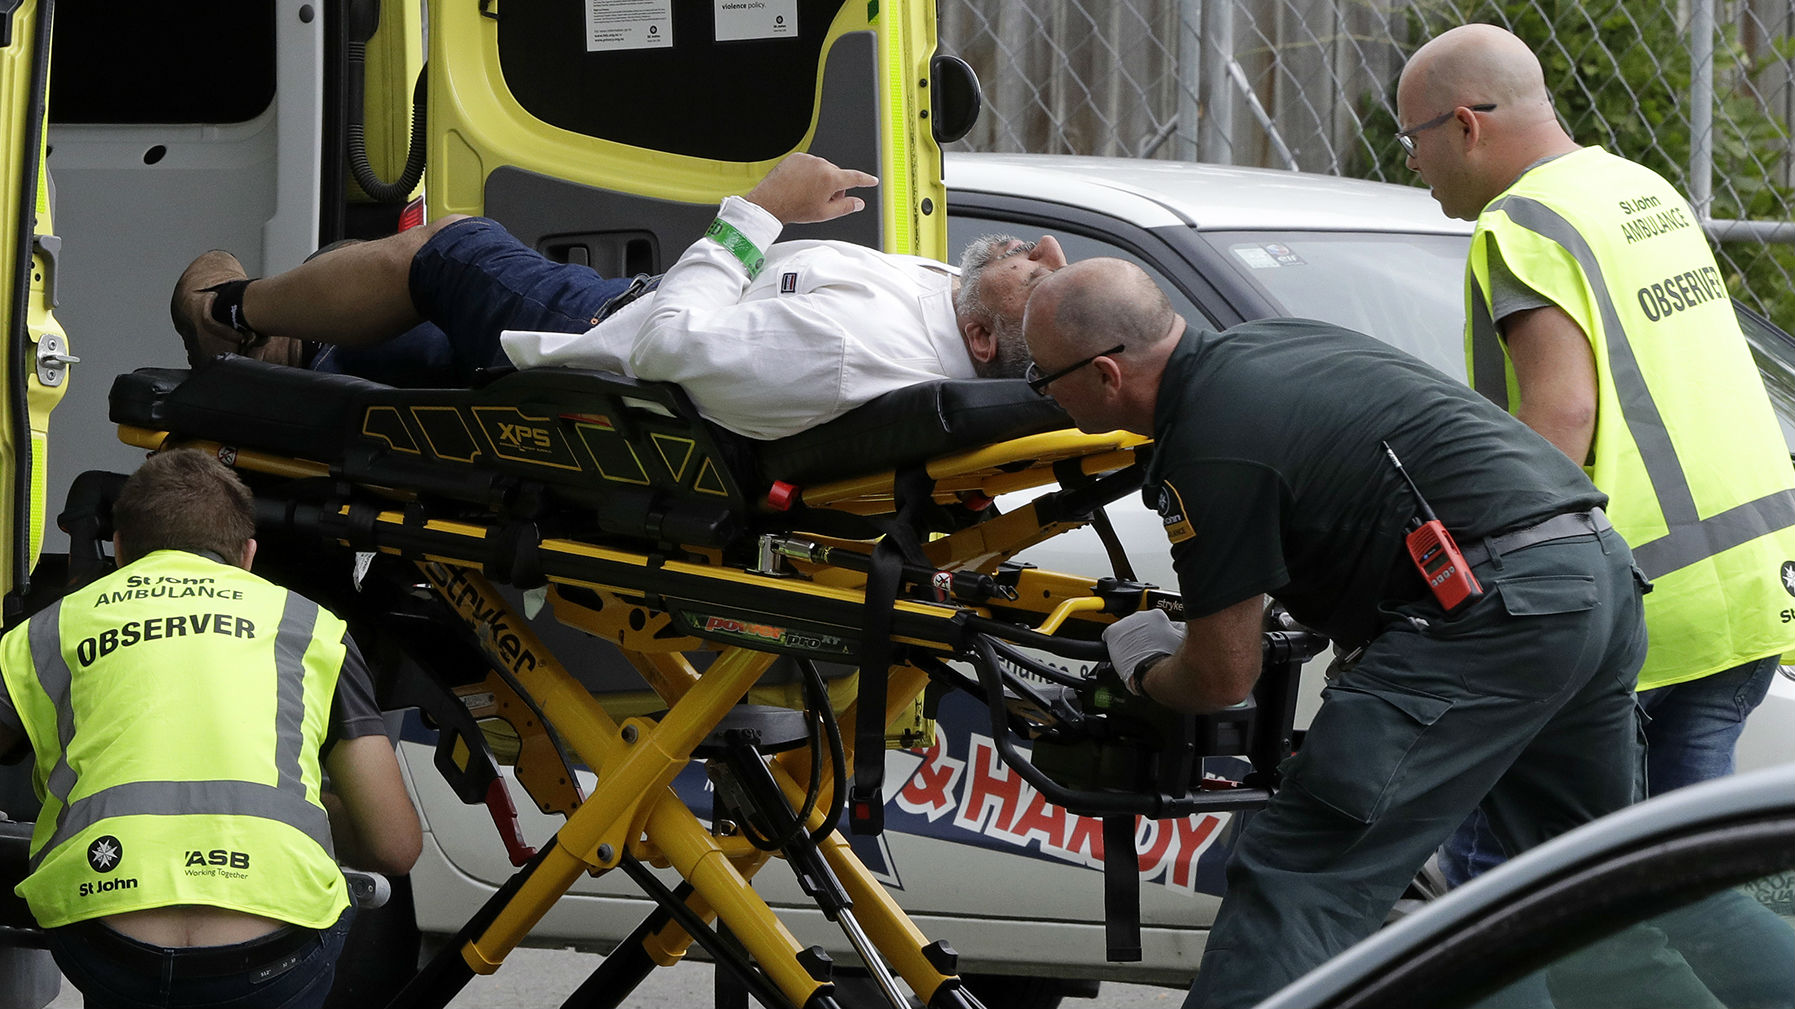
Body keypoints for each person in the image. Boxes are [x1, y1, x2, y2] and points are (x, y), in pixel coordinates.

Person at [1021, 258, 1649, 1009]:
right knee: (1601, 887)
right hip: (1594, 575)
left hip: (1492, 613)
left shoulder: (1209, 444)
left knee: (1299, 874)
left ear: (1104, 376)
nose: (1041, 390)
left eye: (1041, 377)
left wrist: (1144, 664)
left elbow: (1222, 675)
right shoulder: (1275, 343)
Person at [1396, 23, 1795, 884]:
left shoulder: (1522, 224)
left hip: (1636, 611)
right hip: (1748, 589)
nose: (1411, 165)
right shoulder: (1634, 187)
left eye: (1413, 139)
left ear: (1464, 125)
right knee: (1685, 893)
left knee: (1507, 885)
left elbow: (1561, 411)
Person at [170, 152, 1066, 440]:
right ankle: (295, 358)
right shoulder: (959, 315)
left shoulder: (850, 354)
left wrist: (760, 212)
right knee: (442, 351)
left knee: (448, 247)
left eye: (1037, 272)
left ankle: (232, 313)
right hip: (638, 308)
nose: (1037, 247)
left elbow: (665, 347)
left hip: (611, 334)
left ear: (987, 341)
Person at [0, 449, 421, 1009]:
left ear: (121, 550)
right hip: (272, 955)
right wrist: (302, 807)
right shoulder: (309, 627)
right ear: (248, 556)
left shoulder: (51, 628)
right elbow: (393, 845)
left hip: (107, 934)